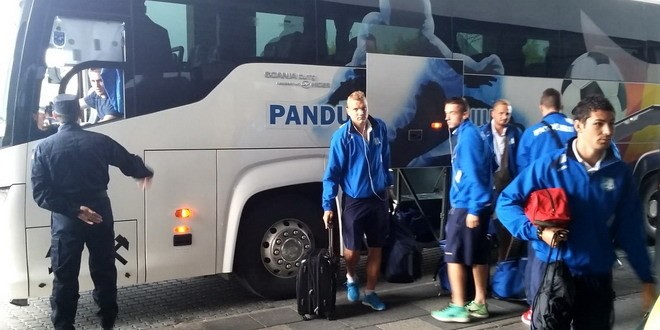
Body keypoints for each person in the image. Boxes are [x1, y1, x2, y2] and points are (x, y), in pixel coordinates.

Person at [496, 95, 656, 329]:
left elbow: (630, 229)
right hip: (554, 271)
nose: (608, 130)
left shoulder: (619, 173)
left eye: (611, 123)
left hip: (597, 272)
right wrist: (538, 232)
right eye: (599, 124)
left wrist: (646, 277)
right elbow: (506, 202)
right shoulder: (549, 166)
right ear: (578, 125)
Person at [31, 94, 154, 330]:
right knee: (105, 270)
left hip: (66, 220)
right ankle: (107, 322)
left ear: (56, 117)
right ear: (79, 114)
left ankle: (64, 325)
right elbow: (128, 161)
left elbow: (40, 193)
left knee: (65, 277)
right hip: (100, 215)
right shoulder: (100, 141)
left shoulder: (43, 148)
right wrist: (143, 173)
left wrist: (76, 210)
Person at [321, 90, 391, 311]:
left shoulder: (380, 128)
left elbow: (386, 157)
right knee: (352, 250)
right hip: (355, 200)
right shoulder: (342, 136)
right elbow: (332, 173)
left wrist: (390, 188)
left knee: (376, 247)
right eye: (356, 109)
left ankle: (370, 292)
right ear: (348, 111)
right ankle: (351, 277)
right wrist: (327, 204)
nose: (361, 112)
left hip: (379, 198)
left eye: (363, 108)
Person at [515, 88, 576, 325]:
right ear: (560, 106)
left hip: (543, 207)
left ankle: (538, 306)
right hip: (573, 202)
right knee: (570, 253)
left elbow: (522, 174)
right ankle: (570, 304)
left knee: (540, 254)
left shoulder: (532, 133)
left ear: (542, 107)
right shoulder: (576, 128)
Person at [431, 97, 492, 323]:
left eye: (452, 113)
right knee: (478, 255)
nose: (446, 117)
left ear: (465, 114)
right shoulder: (476, 135)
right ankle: (480, 302)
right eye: (446, 112)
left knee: (453, 256)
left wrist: (474, 209)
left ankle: (458, 306)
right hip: (475, 204)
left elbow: (475, 175)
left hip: (466, 206)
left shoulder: (467, 139)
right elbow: (491, 165)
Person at [479, 99, 523, 260]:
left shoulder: (515, 133)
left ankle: (503, 263)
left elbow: (520, 160)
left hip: (508, 185)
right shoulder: (482, 133)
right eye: (501, 113)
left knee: (506, 225)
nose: (505, 117)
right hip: (488, 185)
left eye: (508, 114)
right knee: (486, 225)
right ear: (492, 113)